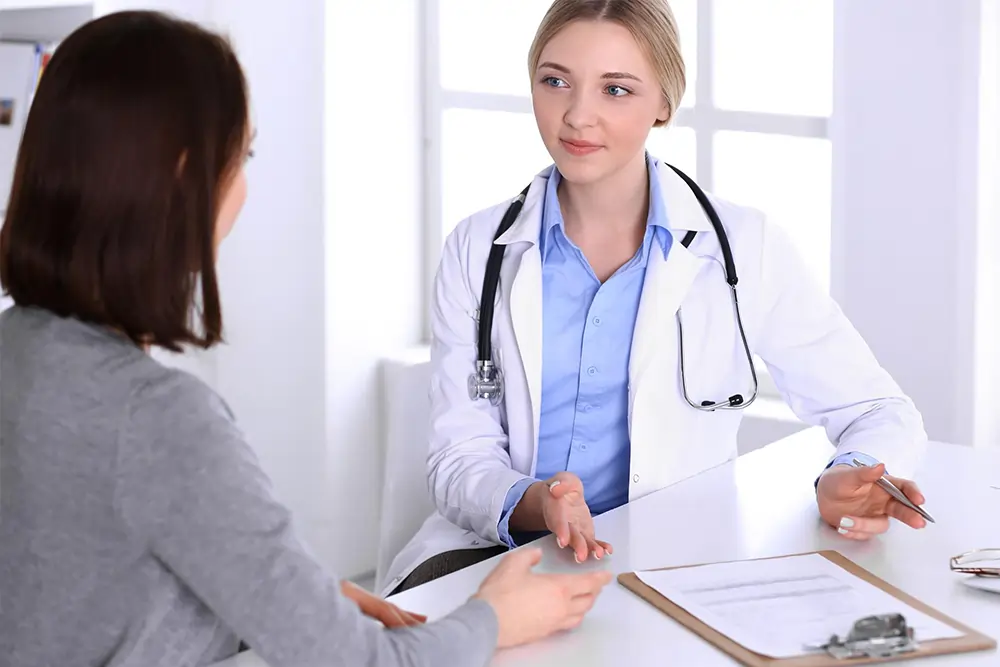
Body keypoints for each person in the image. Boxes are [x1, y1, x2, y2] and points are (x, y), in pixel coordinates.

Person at [0, 11, 612, 667]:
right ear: (185, 179)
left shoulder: (18, 347)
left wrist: (298, 598)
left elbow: (80, 594)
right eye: (243, 156)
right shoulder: (159, 418)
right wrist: (494, 617)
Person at [382, 0, 931, 597]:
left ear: (664, 103)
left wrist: (851, 474)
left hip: (674, 565)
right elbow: (458, 459)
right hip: (497, 557)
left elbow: (879, 410)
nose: (577, 115)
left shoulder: (744, 247)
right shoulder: (479, 248)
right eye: (555, 80)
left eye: (615, 90)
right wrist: (534, 503)